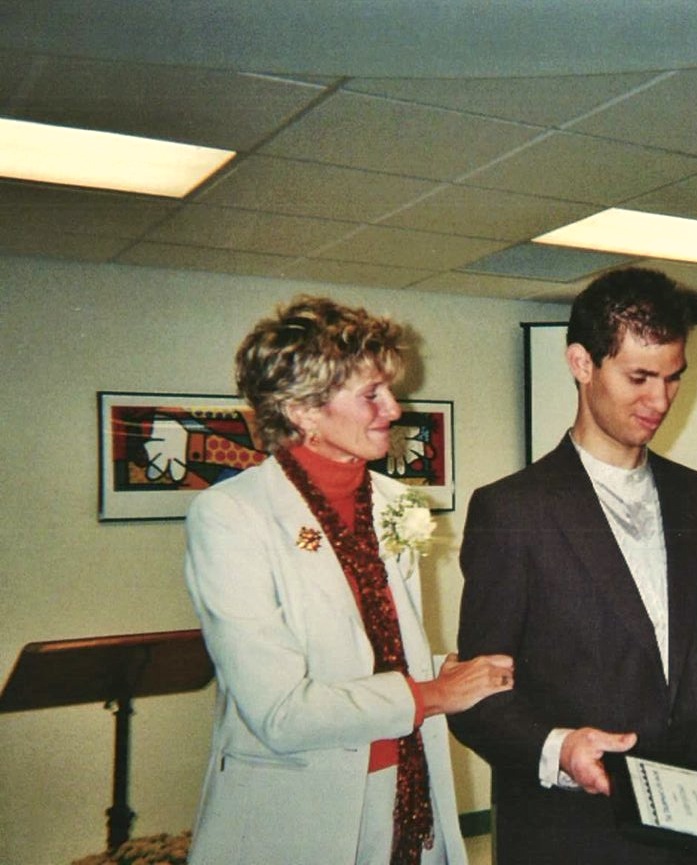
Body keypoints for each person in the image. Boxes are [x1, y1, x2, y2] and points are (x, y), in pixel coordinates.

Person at [447, 267, 697, 865]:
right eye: (639, 377)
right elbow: (478, 695)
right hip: (571, 834)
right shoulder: (512, 510)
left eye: (673, 378)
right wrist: (559, 748)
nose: (660, 401)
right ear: (582, 363)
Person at [183, 295, 514, 865]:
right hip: (300, 807)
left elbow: (378, 652)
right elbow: (280, 713)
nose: (392, 409)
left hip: (407, 789)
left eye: (389, 391)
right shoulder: (232, 516)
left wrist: (447, 669)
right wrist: (434, 694)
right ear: (304, 411)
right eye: (371, 395)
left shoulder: (395, 502)